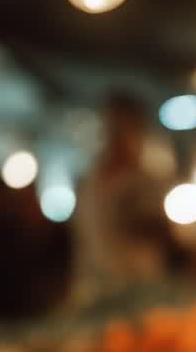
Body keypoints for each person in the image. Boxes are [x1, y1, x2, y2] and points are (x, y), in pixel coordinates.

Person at [69, 92, 180, 306]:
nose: (115, 133)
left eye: (123, 126)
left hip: (139, 289)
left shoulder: (147, 181)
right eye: (111, 125)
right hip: (92, 286)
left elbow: (164, 234)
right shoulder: (89, 181)